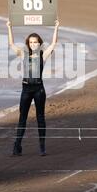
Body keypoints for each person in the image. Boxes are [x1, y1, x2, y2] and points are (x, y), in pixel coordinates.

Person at [7, 19, 60, 156]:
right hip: (26, 89)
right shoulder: (23, 54)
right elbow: (11, 44)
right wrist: (9, 27)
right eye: (31, 42)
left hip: (38, 90)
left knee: (40, 117)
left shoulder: (44, 55)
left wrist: (56, 27)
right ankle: (17, 146)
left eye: (35, 42)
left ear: (39, 43)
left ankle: (42, 147)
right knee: (22, 118)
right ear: (28, 44)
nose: (33, 44)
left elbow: (54, 43)